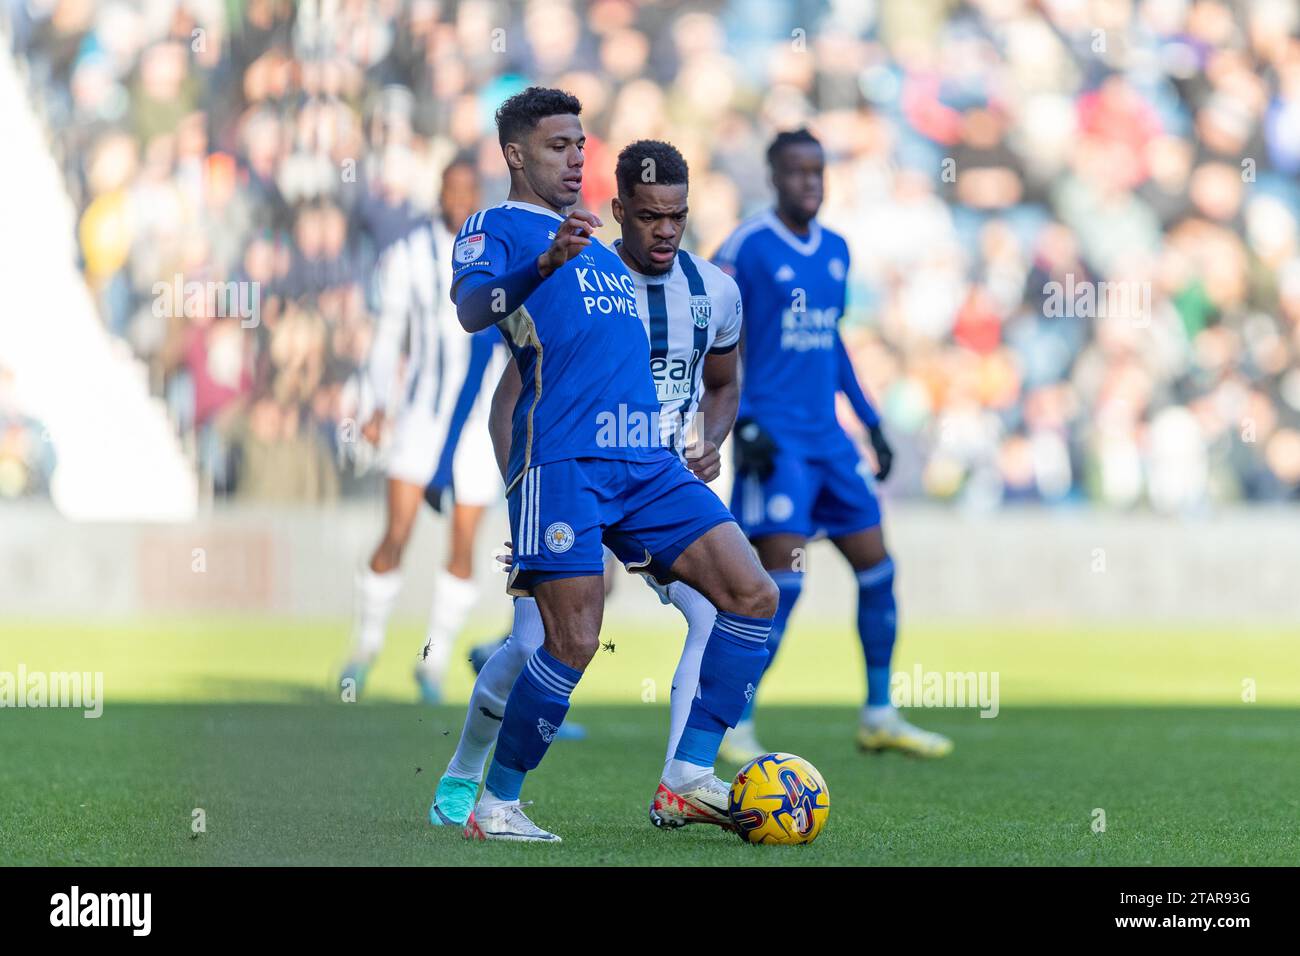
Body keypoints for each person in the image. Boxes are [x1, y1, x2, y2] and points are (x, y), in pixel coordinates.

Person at [435, 87, 776, 843]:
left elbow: (705, 373)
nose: (575, 157)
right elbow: (470, 308)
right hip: (564, 464)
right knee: (569, 641)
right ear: (516, 153)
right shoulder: (498, 228)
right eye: (558, 146)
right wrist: (541, 265)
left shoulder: (599, 244)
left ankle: (688, 775)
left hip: (647, 463)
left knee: (752, 593)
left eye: (581, 145)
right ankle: (493, 802)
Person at [714, 129, 953, 762]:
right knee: (781, 586)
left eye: (818, 171)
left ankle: (879, 712)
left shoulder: (838, 251)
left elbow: (832, 341)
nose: (810, 183)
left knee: (878, 569)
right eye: (797, 172)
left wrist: (870, 421)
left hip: (830, 441)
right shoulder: (746, 248)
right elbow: (716, 337)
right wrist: (740, 420)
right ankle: (733, 723)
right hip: (777, 443)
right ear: (773, 176)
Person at [341, 159, 506, 703]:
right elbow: (387, 337)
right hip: (420, 419)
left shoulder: (500, 250)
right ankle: (363, 652)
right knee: (397, 533)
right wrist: (375, 404)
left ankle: (430, 666)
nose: (459, 200)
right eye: (451, 190)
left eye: (468, 191)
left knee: (462, 544)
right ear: (438, 192)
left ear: (478, 194)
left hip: (480, 425)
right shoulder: (407, 256)